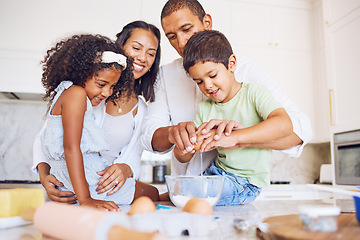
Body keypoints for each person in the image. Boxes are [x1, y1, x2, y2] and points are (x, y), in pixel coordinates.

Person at [141, 0, 312, 177]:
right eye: (172, 36)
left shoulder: (246, 70)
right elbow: (148, 136)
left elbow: (301, 130)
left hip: (238, 191)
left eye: (186, 29)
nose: (182, 43)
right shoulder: (165, 75)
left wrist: (235, 138)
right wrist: (172, 133)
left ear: (207, 23)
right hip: (188, 193)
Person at [32, 21, 161, 204]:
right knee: (154, 196)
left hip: (100, 182)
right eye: (136, 48)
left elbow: (132, 157)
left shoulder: (141, 108)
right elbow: (48, 140)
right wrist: (45, 177)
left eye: (151, 54)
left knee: (154, 196)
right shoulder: (82, 94)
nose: (142, 57)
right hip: (85, 183)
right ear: (120, 47)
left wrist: (125, 169)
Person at [174, 30, 293, 205]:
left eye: (213, 75)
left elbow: (284, 125)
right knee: (178, 190)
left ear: (231, 64)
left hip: (244, 182)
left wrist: (234, 138)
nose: (207, 85)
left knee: (188, 196)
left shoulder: (254, 93)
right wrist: (184, 146)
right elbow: (183, 156)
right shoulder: (205, 108)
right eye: (198, 81)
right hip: (215, 173)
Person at [39, 34, 136, 210]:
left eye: (112, 86)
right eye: (101, 84)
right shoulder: (77, 94)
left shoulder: (65, 92)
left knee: (148, 193)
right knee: (150, 193)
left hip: (74, 181)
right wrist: (86, 199)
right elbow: (71, 148)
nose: (107, 92)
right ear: (82, 73)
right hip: (88, 183)